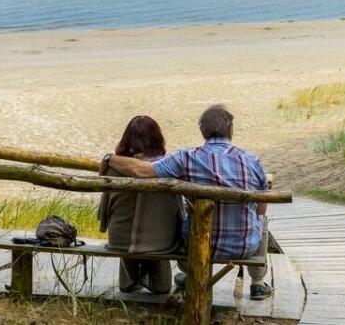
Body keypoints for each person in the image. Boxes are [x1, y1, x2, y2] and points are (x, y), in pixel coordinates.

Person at [100, 104, 272, 301]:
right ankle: (257, 283)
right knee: (261, 218)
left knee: (186, 220)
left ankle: (190, 273)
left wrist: (109, 158)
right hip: (244, 247)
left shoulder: (186, 158)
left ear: (202, 130)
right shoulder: (252, 160)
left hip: (196, 246)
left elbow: (142, 171)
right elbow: (261, 203)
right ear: (231, 130)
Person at [97, 115, 182, 294]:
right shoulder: (168, 169)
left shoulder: (112, 169)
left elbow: (103, 213)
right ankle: (158, 284)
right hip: (161, 243)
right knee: (162, 285)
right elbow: (179, 212)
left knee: (127, 239)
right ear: (158, 138)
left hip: (119, 240)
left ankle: (129, 282)